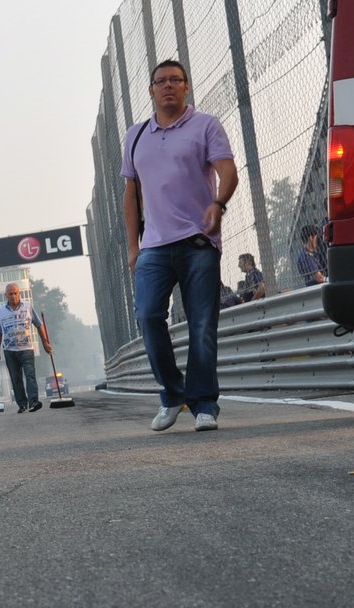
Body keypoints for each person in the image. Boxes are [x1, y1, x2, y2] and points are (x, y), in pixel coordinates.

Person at [121, 59, 237, 432]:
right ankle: (172, 395)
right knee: (148, 316)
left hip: (198, 242)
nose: (168, 86)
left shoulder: (206, 126)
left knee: (202, 324)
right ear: (151, 90)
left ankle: (204, 404)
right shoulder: (136, 135)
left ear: (186, 87)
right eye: (161, 81)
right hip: (153, 246)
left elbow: (228, 171)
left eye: (175, 80)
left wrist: (218, 205)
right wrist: (133, 247)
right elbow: (131, 192)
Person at [0, 282, 53, 413]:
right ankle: (22, 404)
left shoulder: (27, 307)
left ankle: (34, 401)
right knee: (16, 378)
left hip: (26, 348)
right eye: (10, 294)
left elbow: (39, 324)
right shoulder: (0, 312)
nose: (13, 296)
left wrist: (45, 342)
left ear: (19, 293)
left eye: (15, 293)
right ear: (6, 295)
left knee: (30, 375)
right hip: (10, 350)